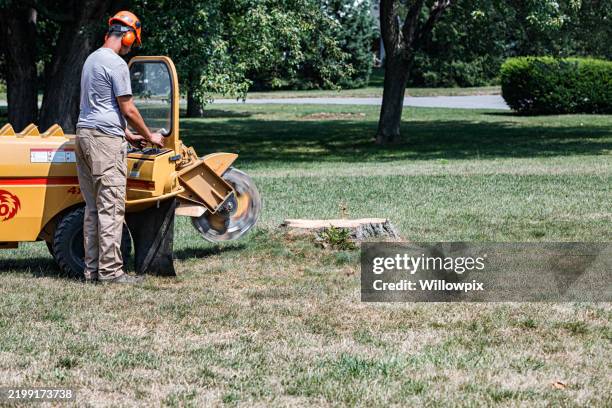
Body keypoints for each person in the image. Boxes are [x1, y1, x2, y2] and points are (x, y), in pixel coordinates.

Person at [75, 11, 164, 284]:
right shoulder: (116, 64)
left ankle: (91, 270)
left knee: (92, 209)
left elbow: (99, 105)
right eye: (132, 42)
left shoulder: (91, 59)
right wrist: (150, 136)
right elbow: (128, 108)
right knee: (111, 208)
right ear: (126, 36)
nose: (130, 48)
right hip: (104, 142)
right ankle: (111, 273)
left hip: (84, 135)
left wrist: (126, 134)